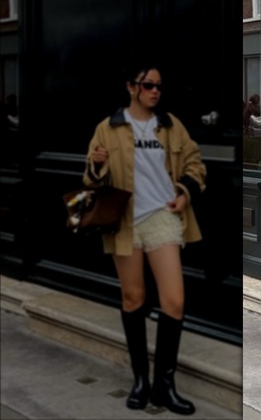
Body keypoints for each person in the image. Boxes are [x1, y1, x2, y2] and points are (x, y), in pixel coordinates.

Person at [83, 63, 206, 415]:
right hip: (123, 221)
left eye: (159, 86)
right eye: (148, 85)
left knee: (174, 301)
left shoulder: (170, 125)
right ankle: (140, 380)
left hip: (163, 217)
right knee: (134, 297)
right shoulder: (108, 128)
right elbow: (90, 181)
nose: (155, 91)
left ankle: (164, 386)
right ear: (131, 87)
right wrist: (96, 164)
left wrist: (185, 191)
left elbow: (195, 163)